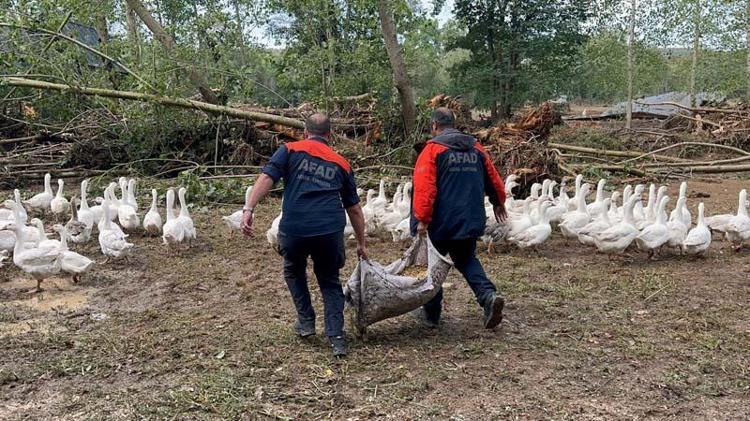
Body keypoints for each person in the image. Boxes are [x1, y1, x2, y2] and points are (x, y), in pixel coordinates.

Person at [241, 113, 368, 358]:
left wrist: (249, 208)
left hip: (295, 229)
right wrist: (362, 243)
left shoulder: (289, 150)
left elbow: (267, 177)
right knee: (329, 280)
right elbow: (353, 208)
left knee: (293, 269)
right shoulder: (341, 163)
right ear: (329, 135)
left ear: (305, 132)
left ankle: (306, 321)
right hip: (328, 231)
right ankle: (337, 338)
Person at [411, 107, 507, 329]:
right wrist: (498, 201)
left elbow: (425, 187)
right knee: (466, 258)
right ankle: (488, 297)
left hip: (440, 222)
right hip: (470, 217)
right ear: (454, 124)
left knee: (432, 265)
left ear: (434, 125)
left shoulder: (432, 150)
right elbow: (493, 177)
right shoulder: (475, 148)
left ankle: (431, 314)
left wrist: (422, 218)